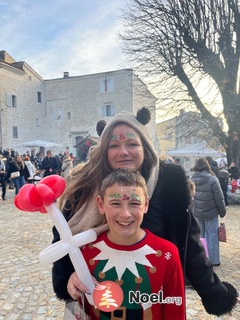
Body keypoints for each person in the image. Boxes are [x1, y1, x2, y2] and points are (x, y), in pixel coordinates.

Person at [52, 108, 238, 317]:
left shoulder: (169, 182)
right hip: (96, 295)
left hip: (150, 294)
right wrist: (67, 276)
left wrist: (215, 294)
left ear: (145, 146)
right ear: (105, 150)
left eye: (132, 144)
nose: (123, 151)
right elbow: (63, 237)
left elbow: (190, 242)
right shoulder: (85, 184)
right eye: (114, 145)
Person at [70, 168, 186, 319]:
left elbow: (175, 312)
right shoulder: (85, 251)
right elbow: (82, 307)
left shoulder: (167, 254)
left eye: (134, 203)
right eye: (116, 203)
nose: (125, 213)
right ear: (101, 205)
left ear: (146, 205)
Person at [191, 157, 226, 266]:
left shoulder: (192, 179)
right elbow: (219, 197)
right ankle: (214, 260)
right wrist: (222, 211)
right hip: (211, 212)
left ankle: (203, 259)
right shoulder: (212, 179)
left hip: (197, 212)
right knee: (212, 236)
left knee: (201, 236)